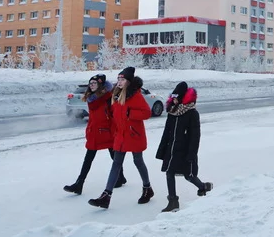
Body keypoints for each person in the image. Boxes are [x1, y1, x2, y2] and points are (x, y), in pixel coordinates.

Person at [88, 66, 154, 209]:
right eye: (118, 78)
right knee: (116, 164)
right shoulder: (116, 96)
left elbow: (147, 113)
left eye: (122, 79)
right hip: (121, 135)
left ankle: (147, 189)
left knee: (138, 161)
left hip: (134, 135)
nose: (119, 81)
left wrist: (131, 113)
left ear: (128, 81)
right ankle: (106, 196)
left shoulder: (135, 95)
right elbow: (114, 115)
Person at [63, 74, 126, 195]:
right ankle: (79, 183)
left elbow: (114, 115)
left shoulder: (108, 97)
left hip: (107, 132)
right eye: (90, 83)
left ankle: (120, 177)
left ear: (100, 85)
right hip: (95, 132)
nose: (91, 86)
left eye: (94, 83)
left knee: (114, 156)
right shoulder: (92, 98)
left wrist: (115, 131)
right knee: (89, 158)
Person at [156, 81, 214, 213]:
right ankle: (173, 201)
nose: (174, 100)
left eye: (177, 97)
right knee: (169, 173)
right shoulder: (172, 112)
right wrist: (162, 150)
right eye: (173, 97)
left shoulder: (192, 113)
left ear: (183, 98)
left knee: (189, 175)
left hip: (185, 151)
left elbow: (195, 137)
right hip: (171, 150)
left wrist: (191, 154)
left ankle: (203, 186)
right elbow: (166, 132)